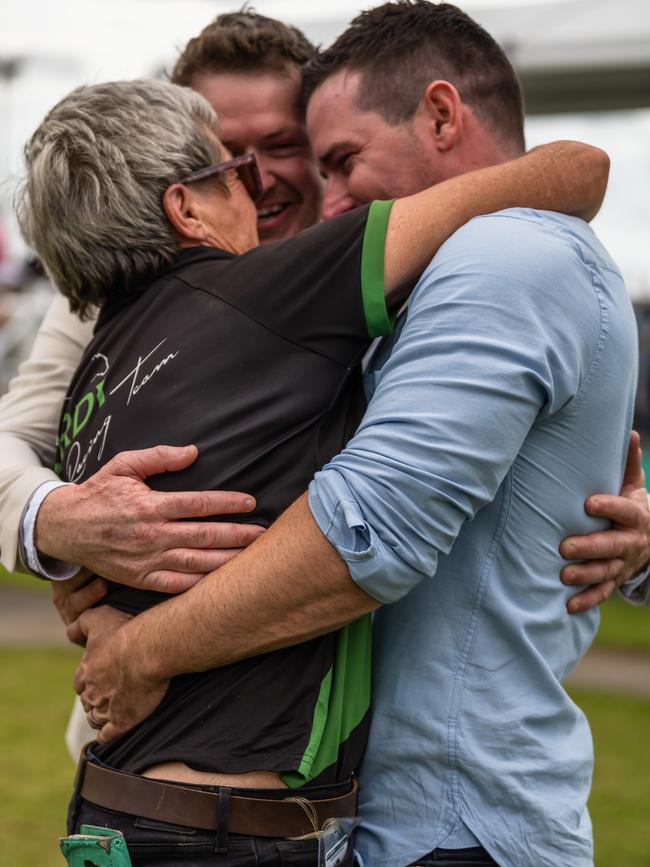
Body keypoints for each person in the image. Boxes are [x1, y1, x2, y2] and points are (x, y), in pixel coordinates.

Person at [73, 4, 639, 867]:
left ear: (443, 115)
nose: (328, 201)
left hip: (451, 822)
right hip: (369, 817)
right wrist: (67, 534)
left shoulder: (507, 259)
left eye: (341, 161)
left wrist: (140, 648)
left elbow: (367, 531)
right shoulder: (410, 284)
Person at [0, 9, 648, 621]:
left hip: (335, 701)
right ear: (181, 190)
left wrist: (636, 530)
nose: (257, 175)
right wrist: (62, 520)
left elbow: (549, 450)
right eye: (227, 152)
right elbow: (11, 441)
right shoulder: (108, 297)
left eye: (284, 143)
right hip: (185, 707)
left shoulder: (411, 261)